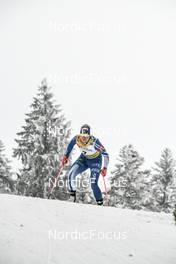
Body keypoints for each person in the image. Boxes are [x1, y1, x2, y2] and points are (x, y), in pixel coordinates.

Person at [62, 124, 109, 205]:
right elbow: (70, 146)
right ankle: (72, 197)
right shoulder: (77, 138)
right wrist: (66, 156)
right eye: (82, 136)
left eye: (86, 136)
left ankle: (100, 203)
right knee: (71, 174)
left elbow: (105, 154)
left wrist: (105, 168)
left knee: (93, 183)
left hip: (95, 161)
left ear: (89, 136)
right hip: (83, 159)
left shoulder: (94, 142)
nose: (83, 138)